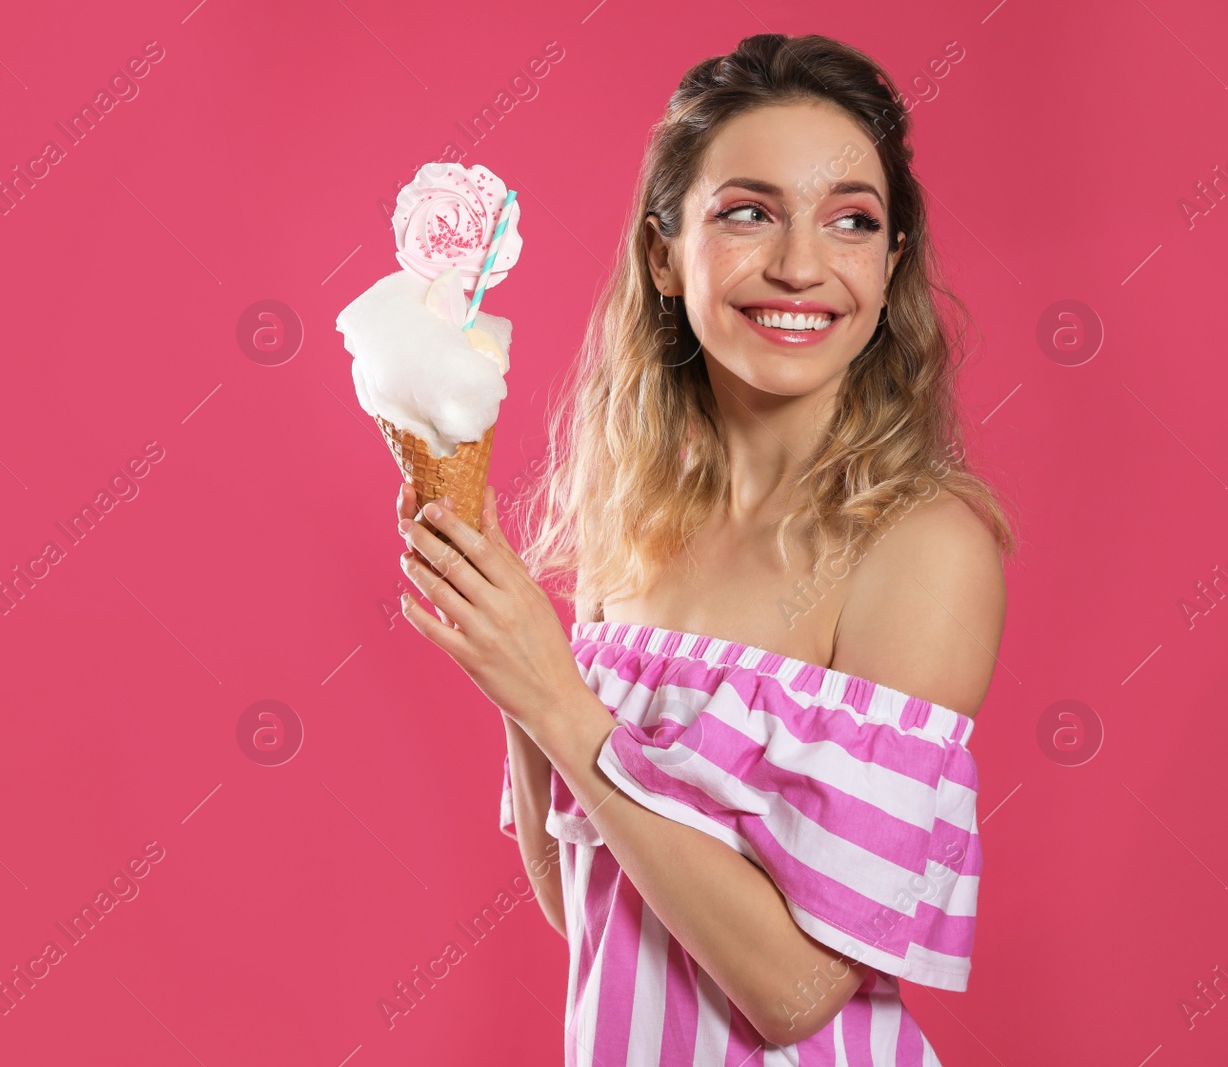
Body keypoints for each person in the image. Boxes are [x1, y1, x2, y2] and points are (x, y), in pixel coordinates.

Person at [394, 31, 1016, 1064]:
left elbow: (797, 990)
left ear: (889, 263)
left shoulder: (922, 548)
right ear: (662, 254)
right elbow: (590, 909)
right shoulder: (631, 519)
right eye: (746, 212)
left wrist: (551, 692)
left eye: (850, 221)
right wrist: (509, 668)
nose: (800, 265)